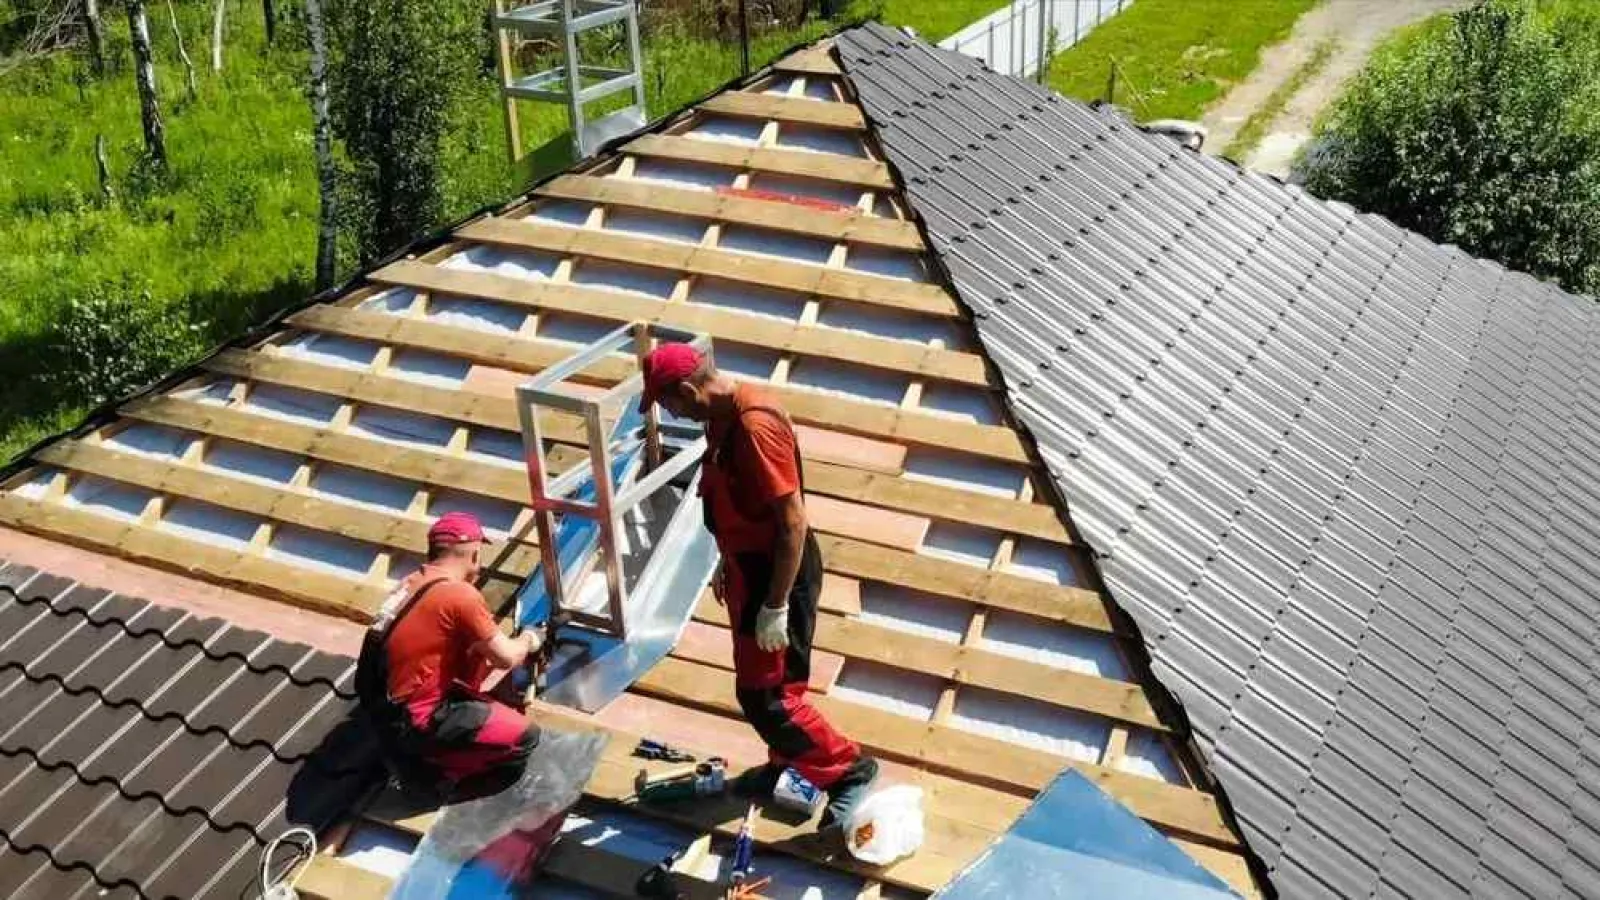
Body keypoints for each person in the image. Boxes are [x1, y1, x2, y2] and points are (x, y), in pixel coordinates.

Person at [637, 343, 878, 833]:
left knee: (768, 698)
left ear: (687, 390)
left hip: (776, 575)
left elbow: (792, 524)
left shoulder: (754, 427)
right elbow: (731, 496)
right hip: (750, 568)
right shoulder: (721, 417)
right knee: (772, 685)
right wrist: (727, 557)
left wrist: (775, 605)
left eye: (668, 404)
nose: (670, 412)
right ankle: (786, 763)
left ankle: (848, 770)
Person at [358, 511, 542, 796]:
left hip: (389, 716)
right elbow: (505, 657)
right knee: (526, 737)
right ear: (474, 554)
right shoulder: (460, 595)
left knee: (476, 664)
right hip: (420, 724)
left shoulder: (411, 583)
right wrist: (530, 639)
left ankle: (424, 755)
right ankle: (440, 777)